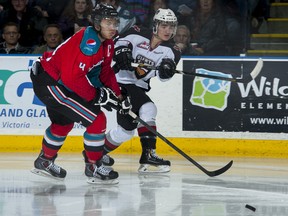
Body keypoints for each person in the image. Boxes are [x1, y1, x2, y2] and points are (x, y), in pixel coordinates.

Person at [30, 3, 131, 184]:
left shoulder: (107, 43)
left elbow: (104, 72)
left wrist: (119, 95)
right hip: (51, 83)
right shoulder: (89, 43)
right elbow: (71, 79)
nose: (113, 27)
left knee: (63, 123)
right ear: (98, 24)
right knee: (97, 120)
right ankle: (93, 166)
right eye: (108, 23)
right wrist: (97, 95)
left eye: (115, 23)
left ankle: (44, 161)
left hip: (53, 81)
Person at [103, 8, 181, 173]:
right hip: (117, 83)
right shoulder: (136, 32)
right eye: (164, 26)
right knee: (148, 108)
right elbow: (118, 43)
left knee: (125, 131)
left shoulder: (172, 50)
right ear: (156, 25)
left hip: (137, 88)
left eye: (171, 26)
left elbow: (163, 78)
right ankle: (148, 153)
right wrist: (122, 51)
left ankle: (96, 152)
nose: (168, 31)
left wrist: (166, 70)